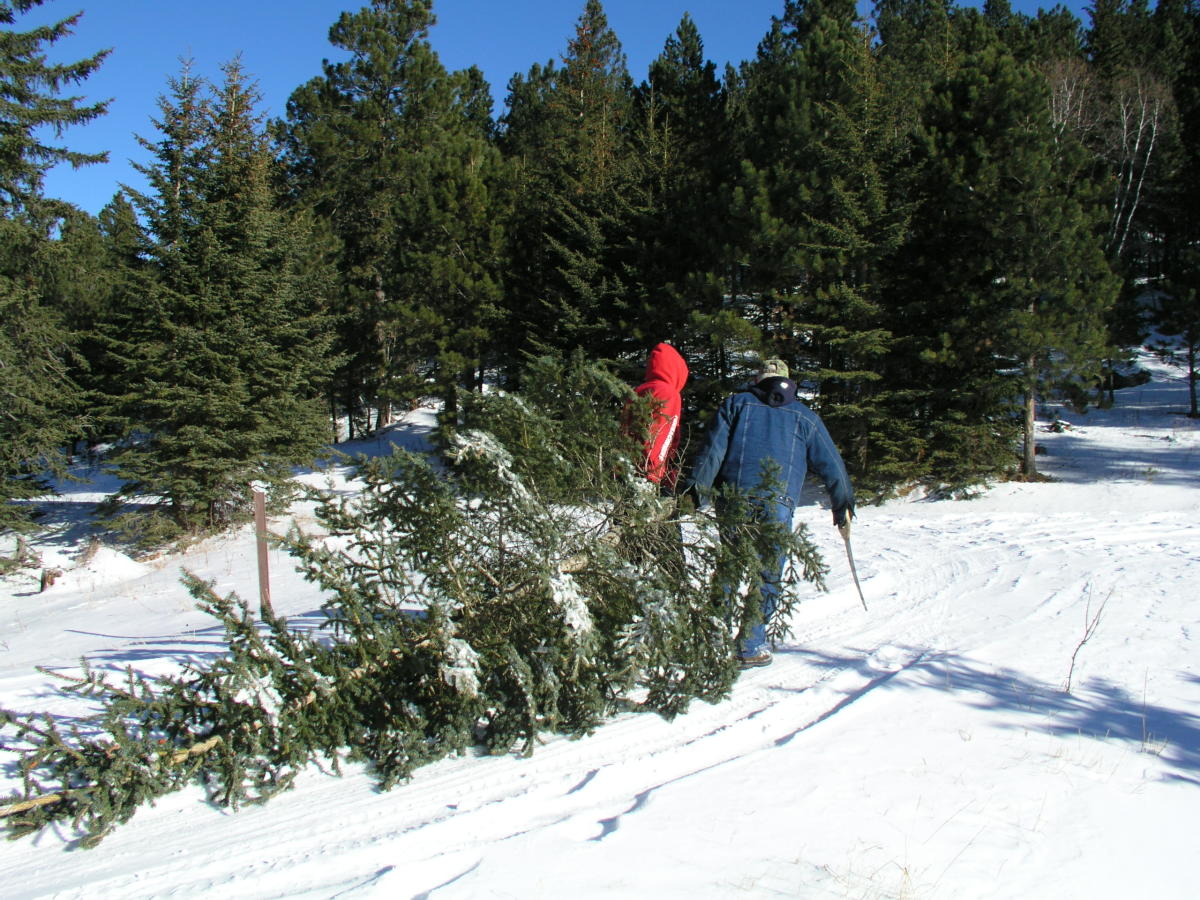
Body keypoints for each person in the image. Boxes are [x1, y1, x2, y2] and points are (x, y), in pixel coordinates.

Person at [684, 358, 854, 668]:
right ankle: (750, 644)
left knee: (730, 566)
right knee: (768, 572)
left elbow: (712, 451)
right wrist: (843, 505)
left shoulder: (736, 404)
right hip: (777, 504)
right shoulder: (805, 417)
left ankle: (713, 638)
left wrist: (695, 492)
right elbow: (832, 465)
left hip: (734, 499)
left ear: (758, 380)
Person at [627, 342, 689, 490]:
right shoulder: (669, 394)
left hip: (627, 468)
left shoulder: (639, 390)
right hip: (647, 476)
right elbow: (661, 434)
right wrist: (654, 475)